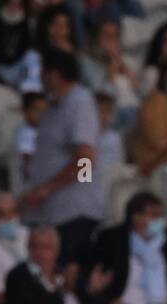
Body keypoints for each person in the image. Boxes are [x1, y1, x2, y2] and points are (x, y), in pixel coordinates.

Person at [21, 50, 104, 265]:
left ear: (54, 75)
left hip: (74, 213)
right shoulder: (53, 106)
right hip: (52, 213)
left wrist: (47, 188)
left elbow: (86, 161)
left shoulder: (79, 103)